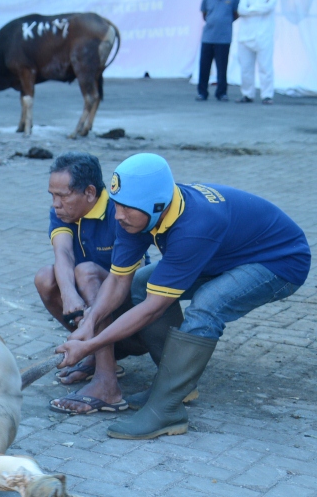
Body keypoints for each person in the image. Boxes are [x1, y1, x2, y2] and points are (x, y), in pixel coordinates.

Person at [57, 153, 310, 439]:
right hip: (221, 255)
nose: (117, 215)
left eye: (126, 209)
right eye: (116, 205)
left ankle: (167, 409)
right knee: (141, 282)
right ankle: (177, 384)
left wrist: (92, 344)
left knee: (207, 308)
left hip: (278, 261)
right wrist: (89, 325)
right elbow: (118, 280)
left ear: (157, 205)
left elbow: (154, 308)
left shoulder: (196, 225)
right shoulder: (136, 213)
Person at [35, 153, 170, 415]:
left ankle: (107, 384)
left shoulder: (120, 211)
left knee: (86, 272)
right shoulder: (63, 214)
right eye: (52, 195)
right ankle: (96, 355)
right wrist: (69, 294)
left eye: (62, 196)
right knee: (45, 278)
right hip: (92, 312)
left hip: (129, 313)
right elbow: (62, 254)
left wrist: (81, 295)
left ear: (89, 192)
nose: (55, 204)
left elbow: (134, 277)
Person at [237, 0, 279, 105]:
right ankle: (247, 94)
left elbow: (269, 7)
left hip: (264, 36)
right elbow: (241, 10)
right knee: (245, 68)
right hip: (245, 35)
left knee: (265, 67)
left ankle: (267, 95)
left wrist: (250, 9)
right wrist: (256, 9)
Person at [196, 0, 238, 102]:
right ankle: (202, 93)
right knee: (204, 67)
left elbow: (236, 14)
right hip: (208, 38)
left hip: (224, 39)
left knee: (222, 67)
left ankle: (221, 93)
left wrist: (223, 23)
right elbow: (204, 15)